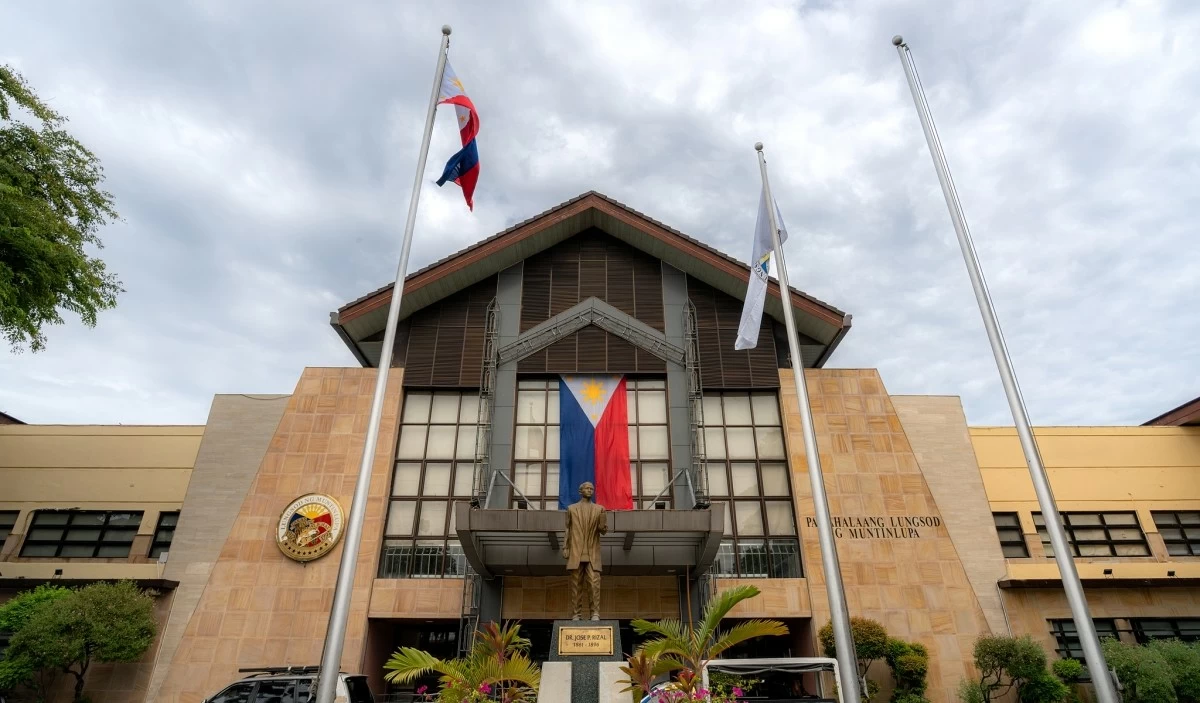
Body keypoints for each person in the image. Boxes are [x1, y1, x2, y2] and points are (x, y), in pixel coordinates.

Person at [562, 481, 607, 620]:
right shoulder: (571, 509)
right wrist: (566, 547)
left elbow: (603, 530)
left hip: (592, 553)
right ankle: (576, 614)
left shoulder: (599, 509)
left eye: (592, 488)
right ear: (580, 491)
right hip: (576, 552)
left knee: (594, 584)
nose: (590, 490)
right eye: (587, 488)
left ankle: (595, 613)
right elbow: (568, 529)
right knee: (576, 585)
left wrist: (603, 523)